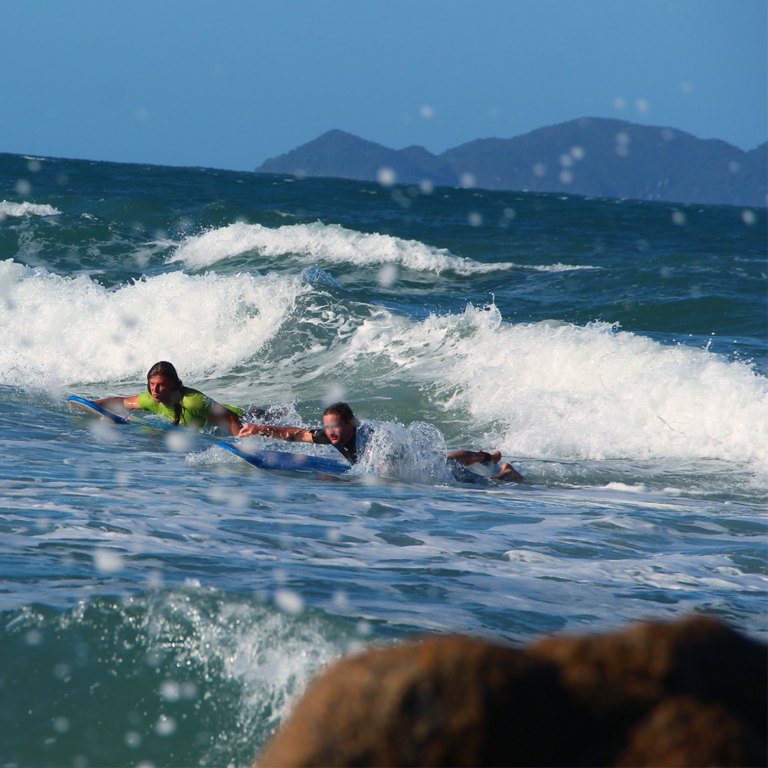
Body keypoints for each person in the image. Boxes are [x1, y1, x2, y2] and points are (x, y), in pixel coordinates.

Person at [238, 401, 524, 482]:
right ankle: (487, 457)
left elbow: (385, 466)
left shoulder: (372, 438)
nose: (331, 432)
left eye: (336, 426)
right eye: (328, 427)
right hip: (410, 462)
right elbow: (295, 434)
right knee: (446, 460)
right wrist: (258, 429)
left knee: (447, 468)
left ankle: (498, 468)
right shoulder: (331, 434)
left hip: (413, 464)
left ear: (349, 423)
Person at [95, 361, 243, 435]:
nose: (154, 390)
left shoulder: (192, 401)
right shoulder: (152, 399)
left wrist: (242, 444)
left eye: (160, 385)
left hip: (244, 419)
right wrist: (93, 404)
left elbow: (231, 418)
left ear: (172, 384)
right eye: (151, 384)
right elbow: (122, 401)